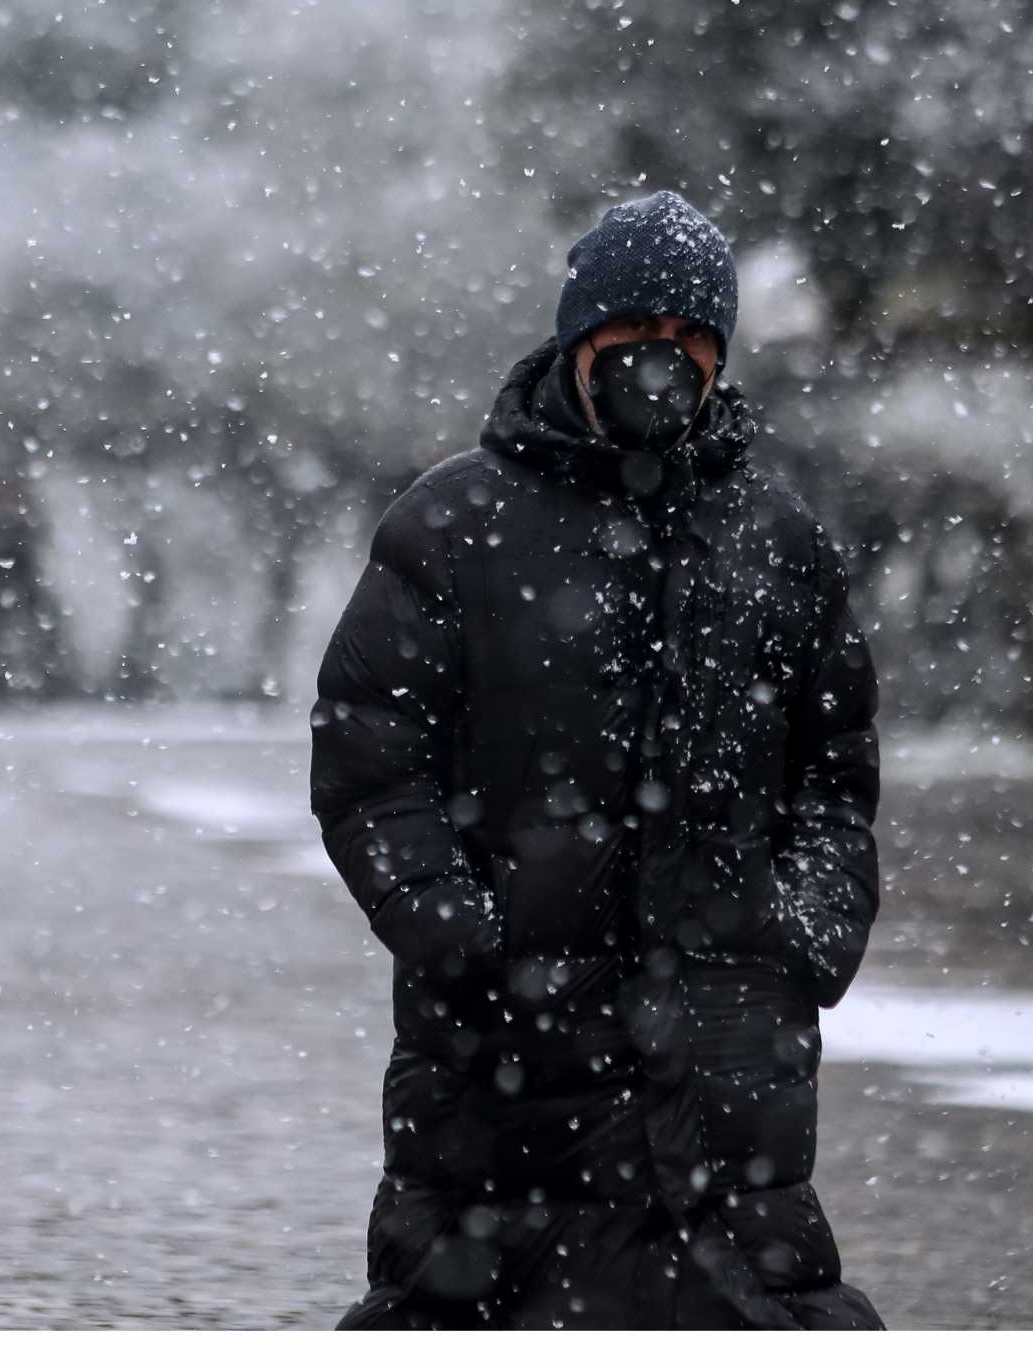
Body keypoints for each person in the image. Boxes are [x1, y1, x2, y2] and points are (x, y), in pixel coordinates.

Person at [311, 192, 882, 1329]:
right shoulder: (455, 526)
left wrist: (801, 935)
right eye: (632, 337)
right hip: (503, 1062)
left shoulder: (776, 539)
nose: (660, 367)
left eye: (689, 340)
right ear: (579, 342)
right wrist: (459, 931)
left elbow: (835, 779)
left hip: (727, 1063)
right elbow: (369, 758)